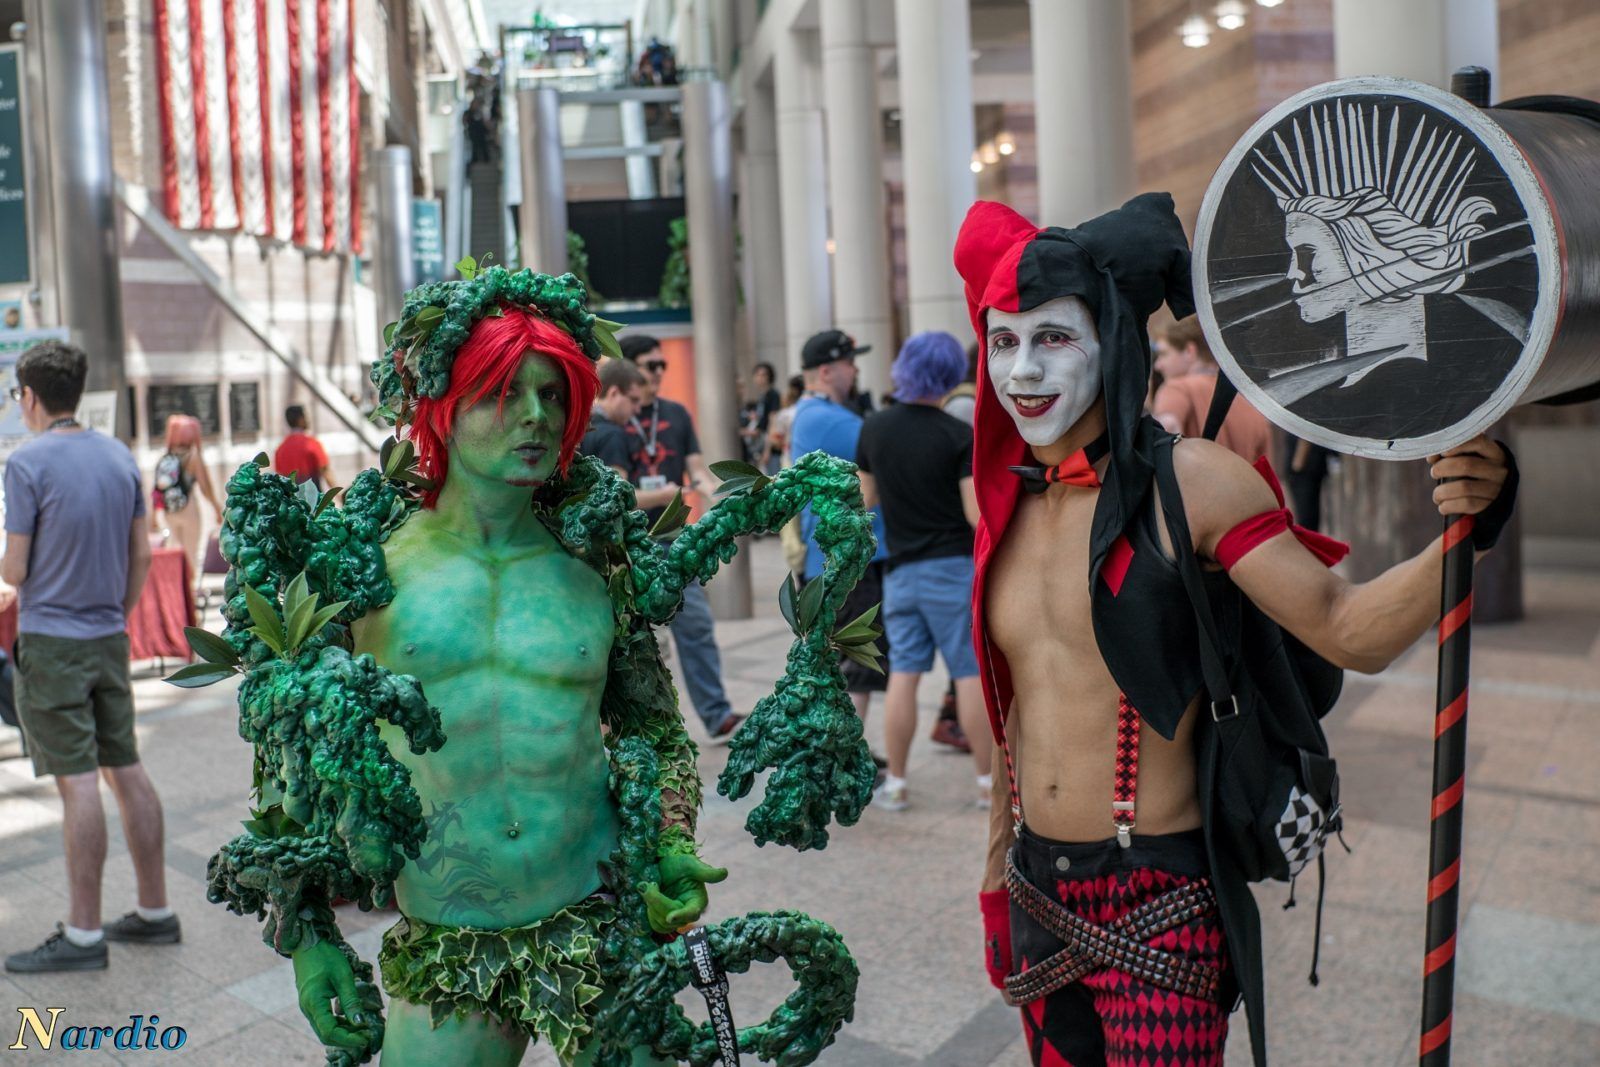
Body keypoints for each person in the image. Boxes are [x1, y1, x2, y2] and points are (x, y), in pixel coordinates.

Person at [208, 268, 875, 1063]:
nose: (533, 415)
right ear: (443, 410)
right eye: (501, 391)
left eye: (551, 393)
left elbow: (654, 726)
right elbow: (292, 752)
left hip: (603, 929)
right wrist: (309, 934)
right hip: (448, 947)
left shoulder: (596, 565)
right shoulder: (365, 572)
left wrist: (669, 842)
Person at [954, 196, 1517, 1066]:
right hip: (1038, 896)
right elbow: (1015, 714)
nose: (1022, 369)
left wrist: (1468, 536)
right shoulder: (1001, 504)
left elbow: (1347, 627)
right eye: (1003, 341)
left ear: (1113, 341)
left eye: (1053, 337)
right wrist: (996, 884)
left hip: (1160, 903)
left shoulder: (1195, 483)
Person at [2, 340, 179, 973]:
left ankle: (82, 935)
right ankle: (155, 912)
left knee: (78, 783)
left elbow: (16, 569)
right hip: (108, 637)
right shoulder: (118, 457)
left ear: (30, 396)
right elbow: (138, 558)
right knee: (125, 767)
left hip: (53, 643)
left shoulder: (26, 465)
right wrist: (115, 611)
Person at [856, 332, 991, 811]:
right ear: (950, 373)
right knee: (968, 671)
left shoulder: (874, 428)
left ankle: (895, 782)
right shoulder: (958, 435)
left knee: (904, 675)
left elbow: (864, 501)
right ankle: (984, 783)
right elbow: (976, 515)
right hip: (950, 570)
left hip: (900, 572)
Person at [619, 335, 743, 743]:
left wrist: (715, 497)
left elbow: (697, 470)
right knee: (627, 640)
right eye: (649, 365)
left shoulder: (676, 414)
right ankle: (633, 731)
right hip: (629, 545)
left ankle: (717, 715)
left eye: (661, 366)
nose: (658, 372)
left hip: (674, 539)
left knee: (696, 627)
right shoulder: (616, 419)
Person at [789, 329, 890, 724]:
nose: (856, 370)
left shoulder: (817, 414)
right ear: (828, 371)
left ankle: (848, 748)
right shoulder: (822, 417)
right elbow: (886, 444)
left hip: (837, 558)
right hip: (845, 560)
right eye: (850, 362)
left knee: (851, 660)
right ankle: (850, 750)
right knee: (858, 661)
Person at [1151, 316, 1273, 463]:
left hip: (1194, 483)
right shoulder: (1252, 403)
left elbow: (1166, 428)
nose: (1158, 365)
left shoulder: (1177, 388)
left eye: (1164, 354)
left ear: (1190, 351)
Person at [151, 413, 224, 581]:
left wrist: (154, 516)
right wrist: (216, 507)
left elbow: (157, 489)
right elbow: (205, 487)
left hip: (170, 511)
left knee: (174, 552)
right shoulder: (193, 457)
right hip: (189, 507)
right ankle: (189, 598)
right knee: (191, 554)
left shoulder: (165, 457)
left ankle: (174, 592)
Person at [581, 357, 645, 476]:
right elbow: (617, 492)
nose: (638, 410)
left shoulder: (579, 425)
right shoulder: (612, 435)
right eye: (634, 400)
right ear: (614, 393)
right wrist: (666, 493)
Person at [274, 404, 333, 489]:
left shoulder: (280, 449)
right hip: (313, 497)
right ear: (300, 420)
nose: (308, 420)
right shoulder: (311, 444)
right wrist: (338, 495)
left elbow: (279, 476)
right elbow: (325, 470)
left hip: (291, 499)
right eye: (306, 417)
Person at [739, 362, 782, 473]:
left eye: (764, 375)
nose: (760, 378)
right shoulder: (762, 396)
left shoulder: (773, 395)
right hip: (760, 443)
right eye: (758, 375)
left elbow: (773, 421)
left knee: (773, 478)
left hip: (769, 445)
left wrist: (767, 450)